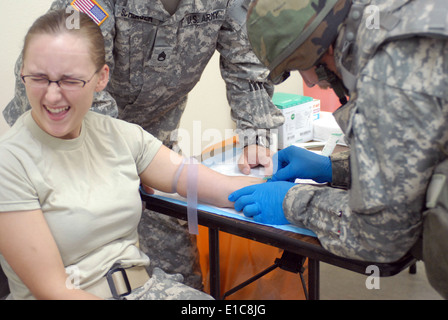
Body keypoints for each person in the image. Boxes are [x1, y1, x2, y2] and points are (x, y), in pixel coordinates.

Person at [3, 0, 285, 289]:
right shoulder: (13, 160)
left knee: (181, 276)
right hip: (60, 142)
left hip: (139, 140)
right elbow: (73, 70)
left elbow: (246, 68)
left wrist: (262, 152)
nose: (51, 92)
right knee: (76, 259)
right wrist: (117, 160)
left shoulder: (130, 140)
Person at [230, 0, 448, 263]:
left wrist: (292, 201)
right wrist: (336, 168)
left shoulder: (386, 75)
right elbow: (414, 157)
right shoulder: (395, 17)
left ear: (324, 51)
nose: (309, 81)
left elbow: (378, 239)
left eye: (300, 68)